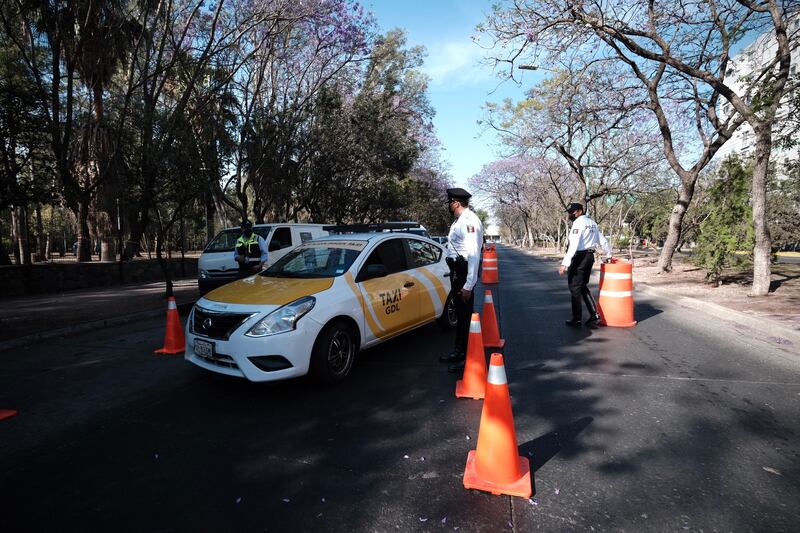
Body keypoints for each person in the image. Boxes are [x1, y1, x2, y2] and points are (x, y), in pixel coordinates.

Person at [439, 187, 484, 372]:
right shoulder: (460, 220)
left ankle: (467, 358)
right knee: (460, 314)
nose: (449, 206)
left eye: (450, 202)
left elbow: (473, 254)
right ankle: (459, 351)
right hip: (458, 271)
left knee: (465, 316)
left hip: (464, 272)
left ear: (456, 203)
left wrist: (468, 284)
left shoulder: (469, 221)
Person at [559, 203, 612, 327]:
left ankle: (577, 318)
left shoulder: (578, 223)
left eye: (572, 212)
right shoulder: (592, 223)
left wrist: (565, 263)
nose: (570, 214)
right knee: (582, 286)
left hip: (580, 257)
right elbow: (603, 240)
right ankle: (594, 315)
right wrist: (608, 254)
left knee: (574, 286)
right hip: (589, 257)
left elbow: (574, 245)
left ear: (579, 211)